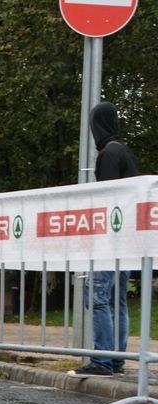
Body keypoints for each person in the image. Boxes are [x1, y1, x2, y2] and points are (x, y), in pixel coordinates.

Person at [69, 101, 139, 379]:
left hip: (111, 242)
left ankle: (102, 360)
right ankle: (116, 358)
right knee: (116, 301)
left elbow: (106, 202)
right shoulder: (125, 152)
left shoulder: (108, 155)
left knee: (98, 298)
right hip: (128, 243)